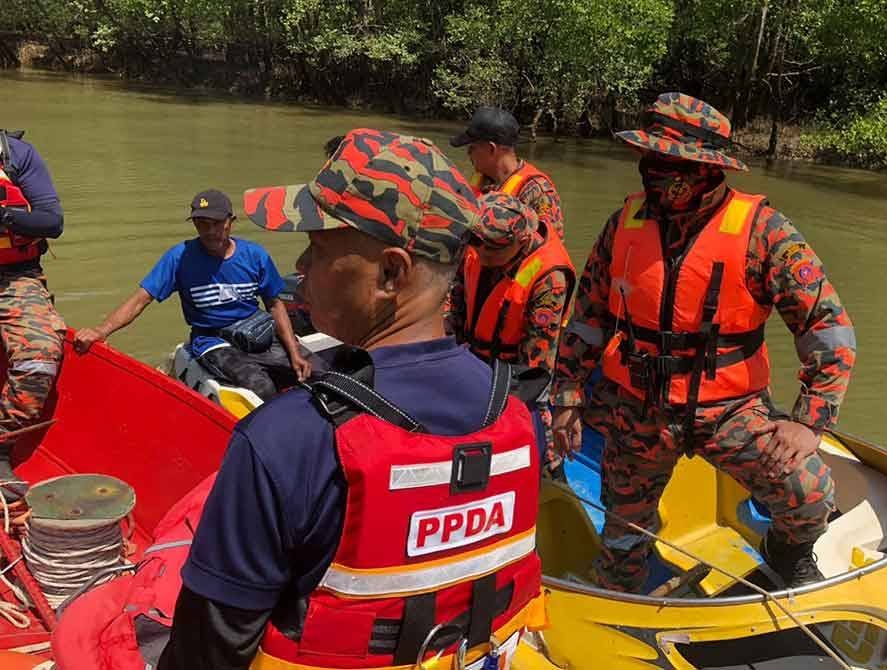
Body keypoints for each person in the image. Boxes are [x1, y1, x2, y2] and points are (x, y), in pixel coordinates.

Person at [157, 128, 548, 670]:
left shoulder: (285, 438)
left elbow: (206, 654)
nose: (299, 265)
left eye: (317, 248)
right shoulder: (520, 416)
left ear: (391, 273)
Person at [550, 93, 857, 591]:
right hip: (637, 406)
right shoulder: (624, 224)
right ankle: (619, 587)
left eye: (668, 163)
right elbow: (587, 317)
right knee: (623, 522)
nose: (652, 172)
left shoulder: (765, 233)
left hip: (731, 408)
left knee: (809, 494)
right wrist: (566, 395)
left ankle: (786, 553)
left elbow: (829, 330)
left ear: (706, 169)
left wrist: (809, 421)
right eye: (648, 159)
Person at [74, 189, 323, 400]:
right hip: (212, 340)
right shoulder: (179, 257)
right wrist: (100, 331)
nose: (210, 231)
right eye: (202, 224)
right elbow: (141, 299)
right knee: (261, 386)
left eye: (217, 223)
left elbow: (275, 304)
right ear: (194, 224)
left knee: (320, 372)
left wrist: (293, 351)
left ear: (231, 221)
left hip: (254, 331)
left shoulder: (254, 255)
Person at [446, 192, 575, 474]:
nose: (480, 254)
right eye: (477, 245)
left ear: (522, 241)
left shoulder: (549, 279)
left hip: (515, 375)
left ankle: (550, 478)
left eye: (491, 250)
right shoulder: (480, 243)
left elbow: (535, 367)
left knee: (537, 444)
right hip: (470, 358)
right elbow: (456, 302)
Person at [0, 130, 67, 500]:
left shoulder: (17, 154)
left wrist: (6, 217)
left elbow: (51, 221)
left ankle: (1, 445)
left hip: (14, 277)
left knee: (40, 355)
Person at [451, 106, 566, 239]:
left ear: (491, 149)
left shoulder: (538, 192)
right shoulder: (483, 178)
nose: (468, 153)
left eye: (472, 148)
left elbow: (550, 250)